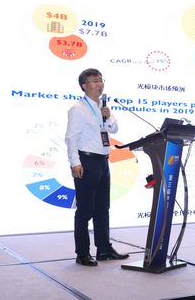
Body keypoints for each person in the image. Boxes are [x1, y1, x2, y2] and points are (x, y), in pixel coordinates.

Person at [65, 68, 129, 266]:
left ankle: (104, 249)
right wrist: (75, 163)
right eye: (95, 80)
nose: (100, 84)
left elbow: (114, 129)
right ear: (85, 86)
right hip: (86, 162)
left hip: (103, 162)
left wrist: (108, 117)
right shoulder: (78, 109)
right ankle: (82, 253)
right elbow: (71, 138)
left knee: (102, 208)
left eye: (101, 80)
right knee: (85, 210)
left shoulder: (103, 107)